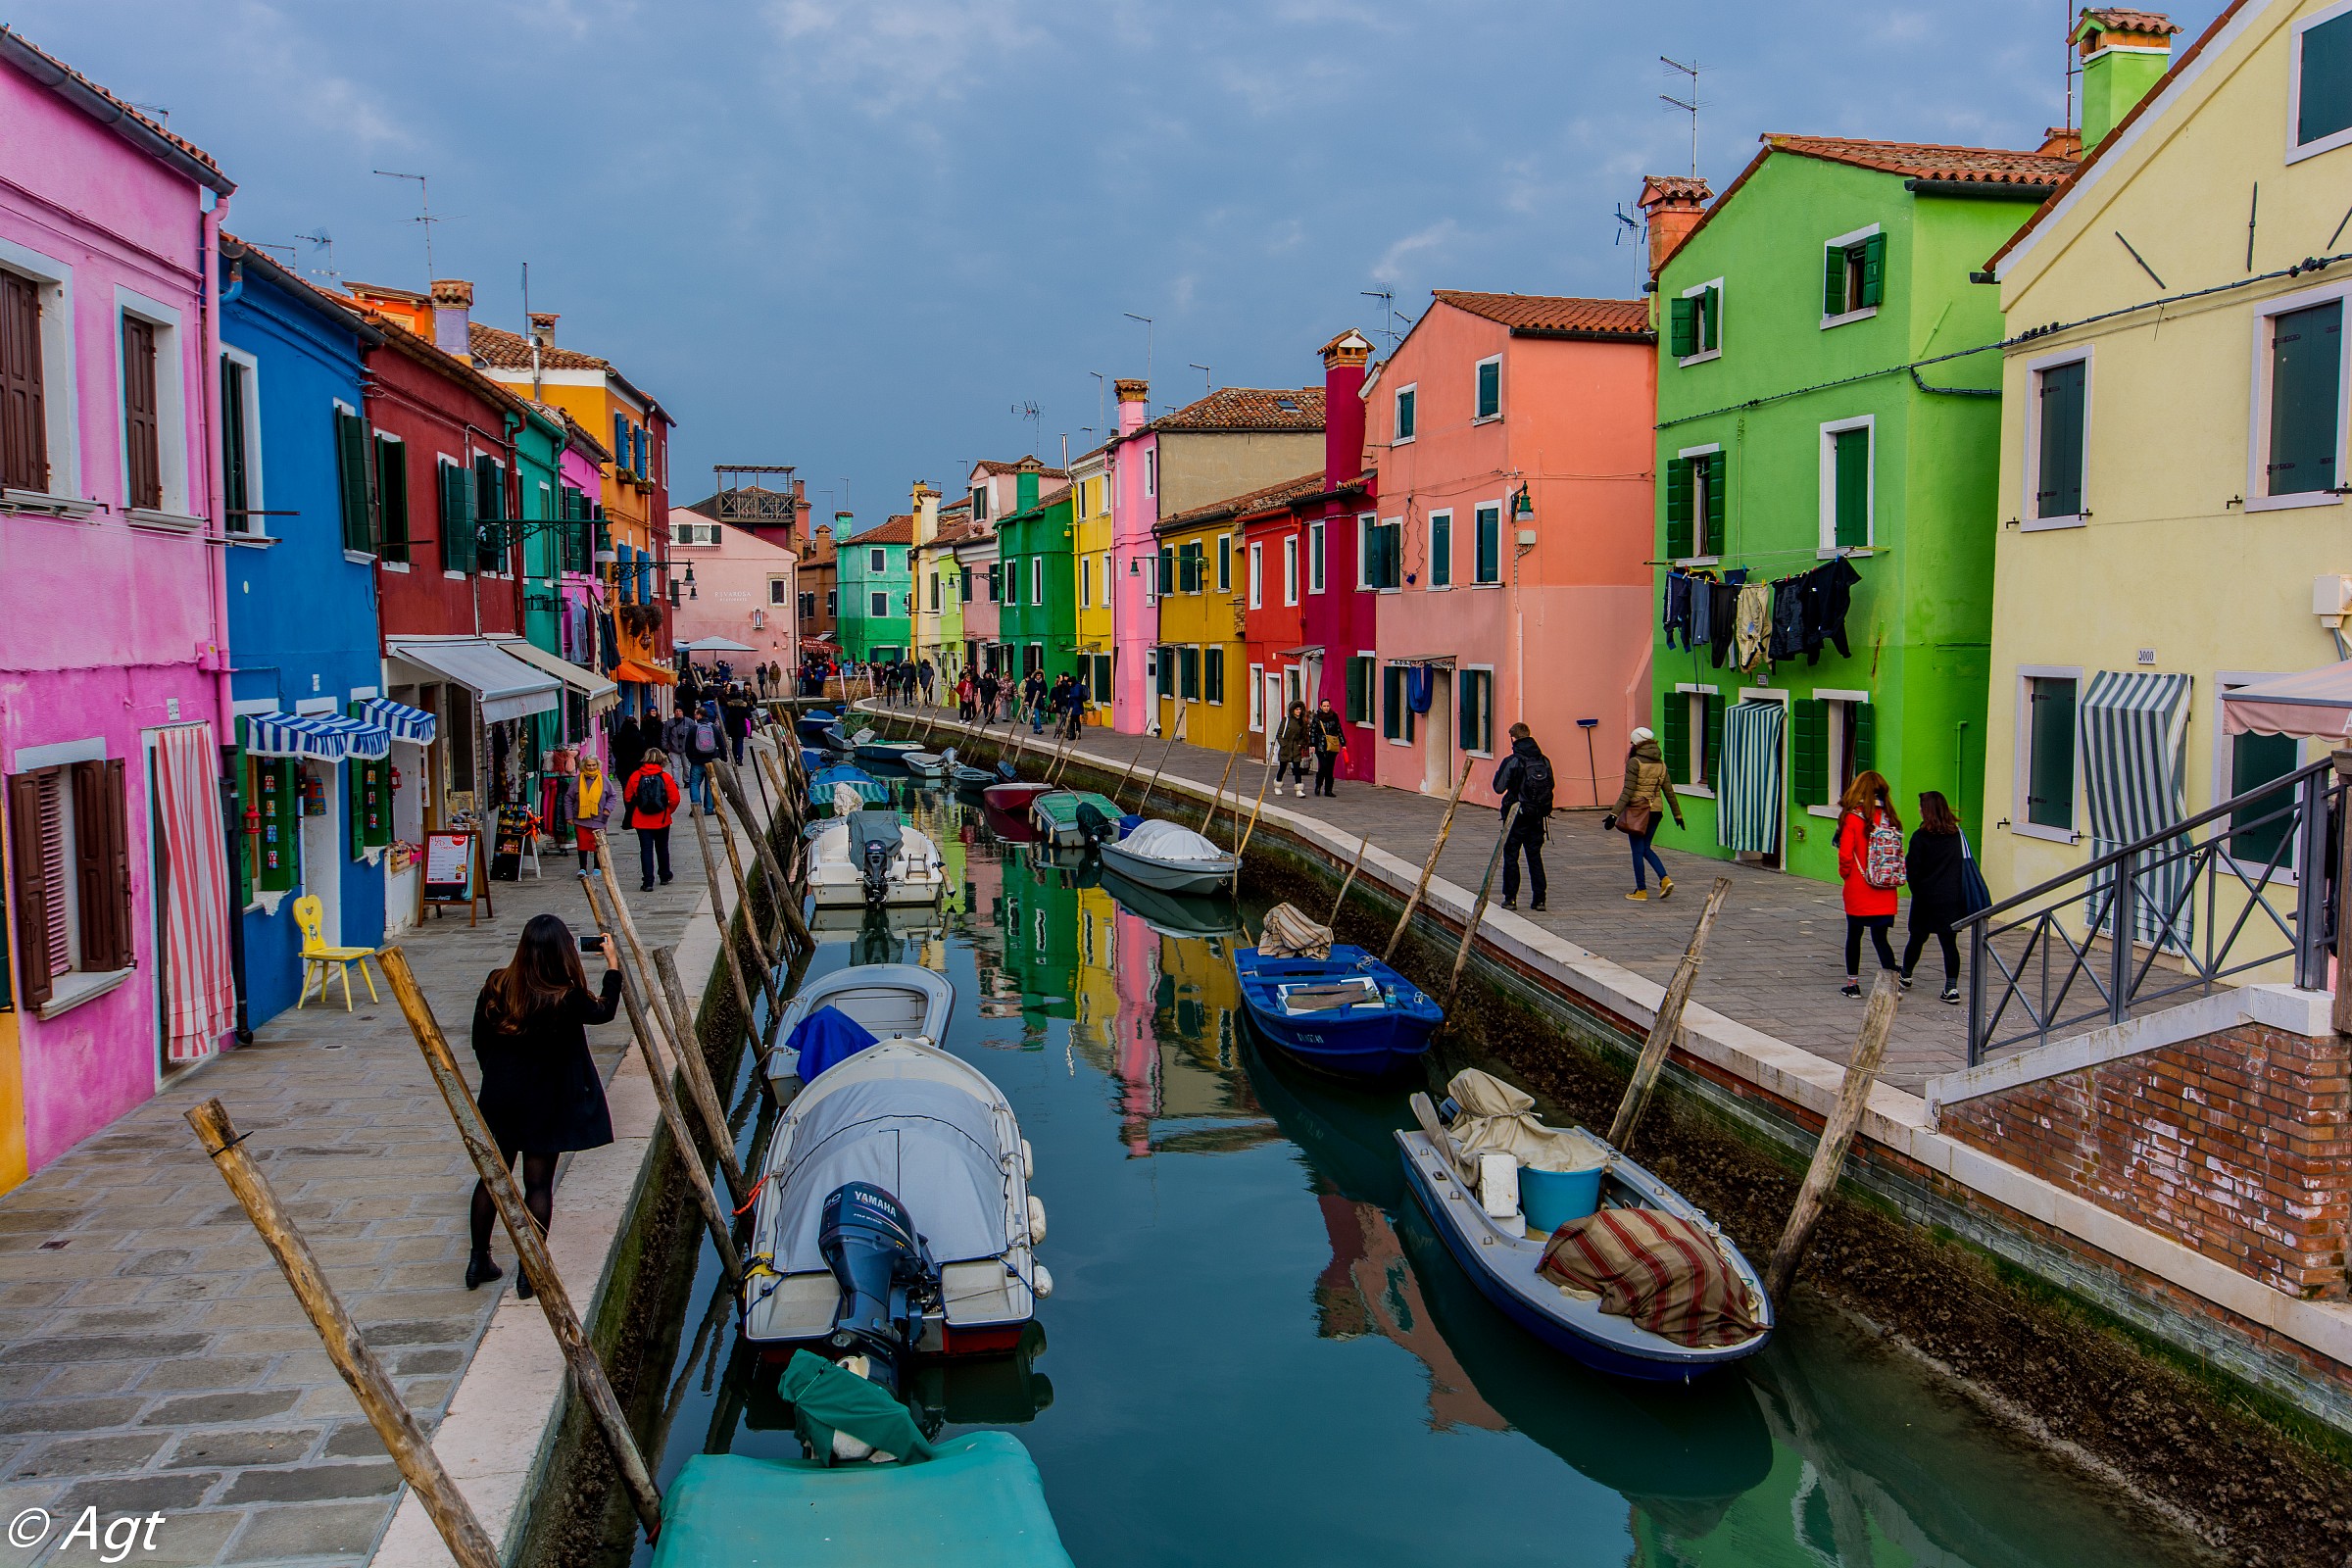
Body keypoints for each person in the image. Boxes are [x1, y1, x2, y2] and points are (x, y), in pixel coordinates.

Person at [465, 914, 625, 1295]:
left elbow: (479, 1041)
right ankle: (529, 1271)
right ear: (562, 951)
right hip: (545, 1103)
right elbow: (605, 1011)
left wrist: (497, 1077)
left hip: (501, 1098)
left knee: (492, 1178)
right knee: (537, 1184)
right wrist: (613, 965)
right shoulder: (566, 996)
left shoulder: (496, 983)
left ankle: (478, 1260)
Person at [1836, 770, 1904, 998]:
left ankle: (1853, 984)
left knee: (1854, 936)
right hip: (1885, 887)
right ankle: (1891, 985)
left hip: (1859, 886)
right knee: (1881, 938)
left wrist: (1846, 875)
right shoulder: (1890, 818)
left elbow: (1846, 855)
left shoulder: (1854, 818)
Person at [1603, 726, 1685, 903]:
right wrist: (1678, 815)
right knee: (1646, 848)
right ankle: (1664, 879)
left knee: (1637, 851)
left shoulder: (1635, 762)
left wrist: (1613, 815)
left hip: (1638, 812)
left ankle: (1641, 890)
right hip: (1656, 811)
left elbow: (1628, 791)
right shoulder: (1661, 763)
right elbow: (1669, 791)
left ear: (1636, 743)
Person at [1901, 791, 1967, 1004]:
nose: (1919, 810)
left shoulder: (1920, 837)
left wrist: (1917, 890)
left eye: (1921, 807)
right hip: (1951, 897)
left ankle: (1906, 975)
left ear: (1927, 811)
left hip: (1926, 897)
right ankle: (1951, 987)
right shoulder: (1956, 835)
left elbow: (1912, 870)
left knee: (1917, 938)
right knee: (1949, 942)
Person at [1491, 722, 1555, 911]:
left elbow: (1498, 787)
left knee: (1511, 856)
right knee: (1534, 856)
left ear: (1513, 738)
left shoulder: (1513, 760)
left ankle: (1510, 899)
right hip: (1536, 815)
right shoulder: (1544, 761)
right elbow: (1551, 785)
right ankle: (1540, 900)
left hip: (1515, 815)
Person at [624, 747, 682, 890]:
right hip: (661, 819)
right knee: (662, 848)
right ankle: (664, 875)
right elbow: (675, 799)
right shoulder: (665, 777)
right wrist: (668, 811)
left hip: (641, 819)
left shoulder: (636, 776)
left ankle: (648, 881)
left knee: (646, 849)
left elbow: (627, 797)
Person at [565, 756, 612, 875]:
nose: (591, 767)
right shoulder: (577, 781)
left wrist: (607, 809)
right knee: (582, 843)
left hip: (599, 818)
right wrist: (569, 816)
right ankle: (583, 868)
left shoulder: (604, 780)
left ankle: (597, 867)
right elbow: (569, 798)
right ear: (584, 766)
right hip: (581, 819)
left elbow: (612, 796)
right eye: (588, 765)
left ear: (597, 765)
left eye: (593, 765)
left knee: (598, 844)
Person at [1276, 701, 1313, 797]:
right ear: (1292, 710)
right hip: (1286, 749)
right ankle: (1278, 785)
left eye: (1300, 709)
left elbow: (1303, 736)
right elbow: (1279, 734)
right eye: (1297, 709)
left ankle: (1299, 790)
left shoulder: (1302, 723)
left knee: (1297, 769)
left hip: (1296, 749)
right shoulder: (1286, 720)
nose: (1298, 711)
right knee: (1282, 768)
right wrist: (1284, 744)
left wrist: (1300, 745)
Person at [1311, 699, 1345, 797]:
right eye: (1324, 706)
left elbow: (1339, 730)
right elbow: (1313, 732)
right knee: (1324, 766)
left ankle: (1328, 790)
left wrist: (1343, 743)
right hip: (1320, 746)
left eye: (1328, 706)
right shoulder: (1317, 718)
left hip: (1332, 746)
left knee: (1330, 768)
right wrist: (1312, 744)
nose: (1326, 708)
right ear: (1321, 706)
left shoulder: (1334, 716)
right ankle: (1318, 785)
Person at [723, 686, 754, 764]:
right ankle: (739, 759)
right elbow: (748, 715)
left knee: (734, 742)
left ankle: (734, 758)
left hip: (732, 726)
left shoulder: (730, 706)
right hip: (741, 726)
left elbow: (726, 716)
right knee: (740, 742)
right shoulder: (744, 706)